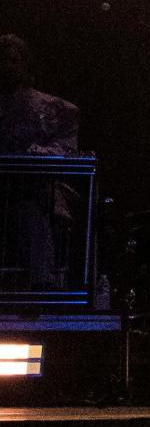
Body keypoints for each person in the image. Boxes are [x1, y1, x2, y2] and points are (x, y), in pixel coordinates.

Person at [0, 33, 80, 290]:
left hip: (34, 192)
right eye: (2, 60)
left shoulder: (54, 109)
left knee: (30, 211)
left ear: (25, 65)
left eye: (13, 60)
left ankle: (43, 285)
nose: (7, 66)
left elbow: (66, 150)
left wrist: (41, 154)